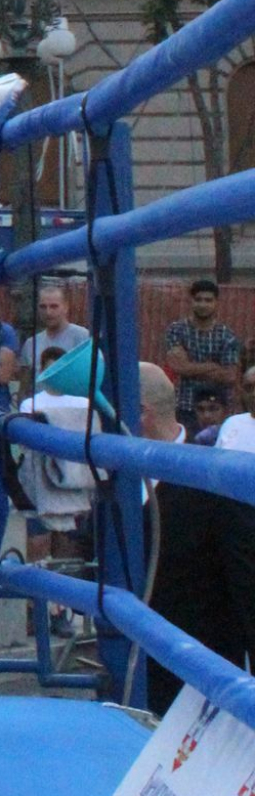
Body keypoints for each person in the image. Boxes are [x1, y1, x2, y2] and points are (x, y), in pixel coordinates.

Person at [138, 361, 255, 714]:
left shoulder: (213, 481)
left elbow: (246, 582)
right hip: (133, 665)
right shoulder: (110, 480)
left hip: (199, 680)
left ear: (141, 413)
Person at [165, 279, 242, 430]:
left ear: (216, 303)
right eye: (198, 299)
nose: (203, 304)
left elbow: (230, 376)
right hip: (185, 406)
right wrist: (212, 365)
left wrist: (190, 367)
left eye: (208, 300)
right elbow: (178, 367)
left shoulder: (227, 335)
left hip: (218, 409)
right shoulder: (176, 330)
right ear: (191, 301)